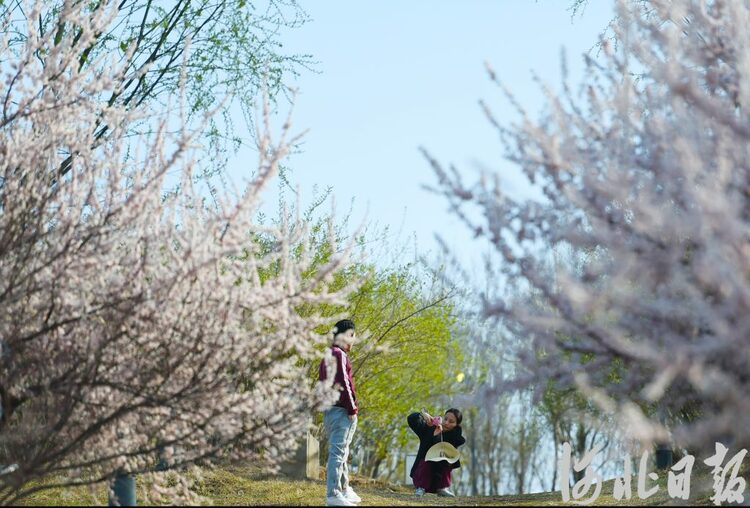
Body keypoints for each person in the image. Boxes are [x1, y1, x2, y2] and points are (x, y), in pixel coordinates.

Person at [319, 319, 361, 507]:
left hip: (331, 410)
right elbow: (344, 383)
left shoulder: (329, 354)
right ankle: (333, 494)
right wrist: (352, 408)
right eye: (352, 335)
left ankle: (343, 489)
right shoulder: (339, 354)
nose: (354, 340)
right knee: (338, 453)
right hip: (341, 410)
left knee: (342, 451)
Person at [407, 408, 465, 497]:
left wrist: (437, 436)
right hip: (421, 477)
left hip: (438, 479)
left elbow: (439, 452)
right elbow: (411, 419)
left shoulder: (455, 437)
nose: (446, 423)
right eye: (445, 419)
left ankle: (442, 489)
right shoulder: (428, 428)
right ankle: (421, 488)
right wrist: (424, 415)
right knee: (427, 459)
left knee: (447, 458)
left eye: (451, 421)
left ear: (456, 425)